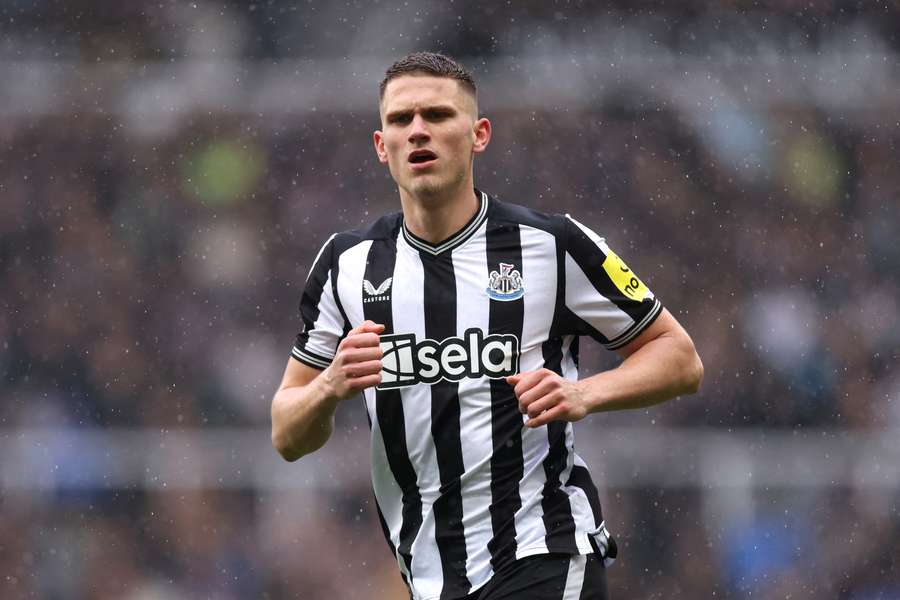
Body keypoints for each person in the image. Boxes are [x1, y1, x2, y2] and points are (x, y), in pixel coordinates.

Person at [271, 51, 703, 600]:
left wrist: (584, 392)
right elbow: (287, 433)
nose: (418, 131)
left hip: (543, 551)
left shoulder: (551, 245)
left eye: (438, 115)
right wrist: (330, 387)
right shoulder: (347, 265)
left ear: (479, 135)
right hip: (428, 576)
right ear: (382, 147)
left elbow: (679, 357)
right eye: (401, 120)